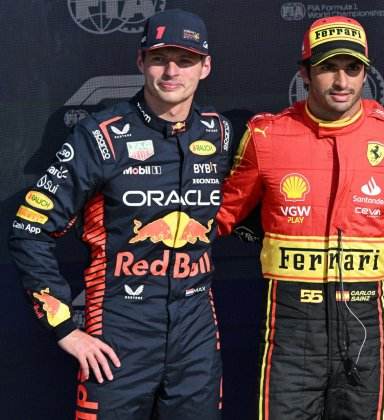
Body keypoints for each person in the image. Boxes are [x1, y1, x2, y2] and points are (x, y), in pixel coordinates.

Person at [9, 9, 234, 419]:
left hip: (196, 337)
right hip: (118, 336)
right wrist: (64, 329)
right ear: (140, 62)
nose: (171, 72)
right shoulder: (100, 136)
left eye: (184, 60)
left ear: (205, 67)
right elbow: (29, 230)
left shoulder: (219, 133)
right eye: (159, 58)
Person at [215, 15, 384, 420]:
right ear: (304, 73)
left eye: (353, 69)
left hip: (365, 327)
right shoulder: (266, 135)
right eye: (328, 68)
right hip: (289, 326)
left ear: (366, 73)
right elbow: (220, 216)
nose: (342, 82)